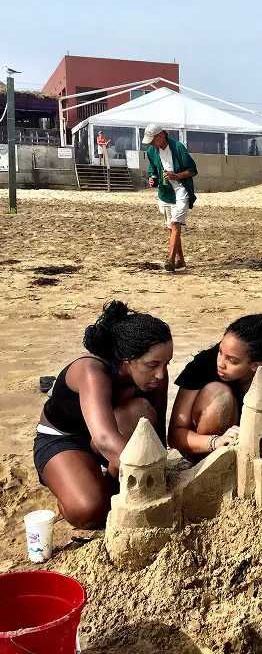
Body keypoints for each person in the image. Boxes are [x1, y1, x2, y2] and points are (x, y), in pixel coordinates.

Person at [34, 301, 172, 529]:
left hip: (110, 435)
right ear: (127, 359)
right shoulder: (91, 370)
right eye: (152, 365)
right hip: (65, 438)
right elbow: (105, 439)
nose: (160, 373)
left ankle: (104, 483)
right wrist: (148, 472)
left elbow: (155, 431)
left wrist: (160, 470)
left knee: (141, 413)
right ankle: (70, 484)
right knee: (90, 511)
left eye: (166, 364)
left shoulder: (156, 377)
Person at [169, 314, 262, 462]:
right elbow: (175, 435)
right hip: (203, 448)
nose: (220, 363)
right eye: (220, 351)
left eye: (232, 360)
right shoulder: (203, 365)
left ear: (255, 365)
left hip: (249, 455)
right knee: (220, 394)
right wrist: (216, 442)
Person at [144, 123, 197, 272]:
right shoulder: (151, 151)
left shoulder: (177, 147)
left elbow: (192, 170)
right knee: (171, 227)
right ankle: (180, 260)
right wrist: (152, 178)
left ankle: (170, 260)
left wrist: (176, 176)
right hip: (165, 193)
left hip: (181, 190)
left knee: (175, 224)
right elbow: (152, 170)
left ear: (161, 136)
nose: (150, 143)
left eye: (152, 140)